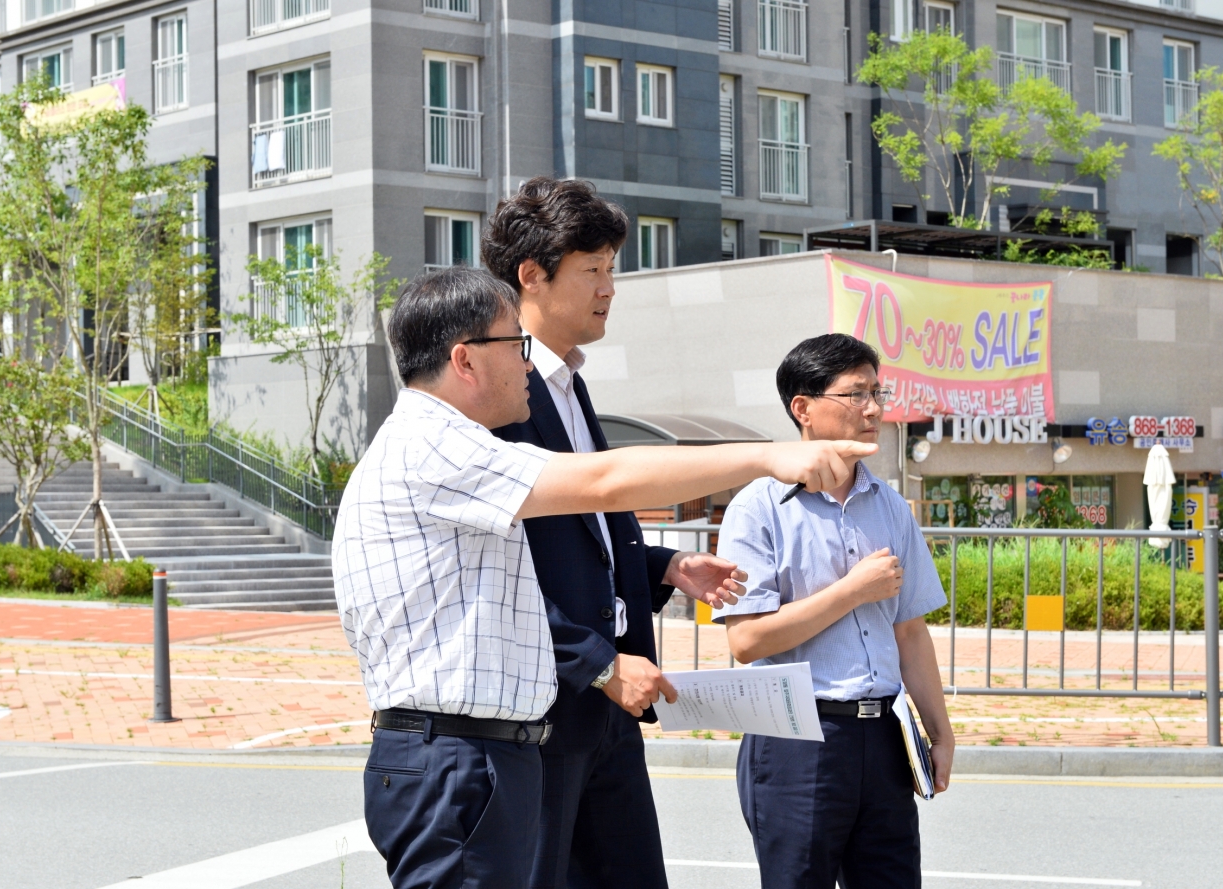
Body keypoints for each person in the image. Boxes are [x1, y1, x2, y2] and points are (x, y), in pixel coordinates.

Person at [333, 268, 875, 889]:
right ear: (465, 360)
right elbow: (603, 481)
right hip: (454, 755)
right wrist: (769, 455)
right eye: (515, 345)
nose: (528, 365)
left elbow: (574, 541)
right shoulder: (434, 446)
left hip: (477, 752)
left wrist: (661, 565)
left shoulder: (452, 446)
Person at [484, 176, 740, 889]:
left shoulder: (568, 380)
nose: (609, 287)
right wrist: (595, 663)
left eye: (612, 269)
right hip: (550, 704)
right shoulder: (503, 391)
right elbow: (504, 566)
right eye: (592, 269)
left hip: (608, 707)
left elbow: (583, 528)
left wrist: (660, 566)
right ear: (531, 275)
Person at [714, 333, 955, 889]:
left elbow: (910, 631)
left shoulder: (891, 504)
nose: (873, 408)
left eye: (877, 391)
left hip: (886, 736)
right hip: (798, 737)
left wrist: (940, 734)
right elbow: (746, 642)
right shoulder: (757, 508)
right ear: (804, 408)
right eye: (854, 394)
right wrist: (851, 590)